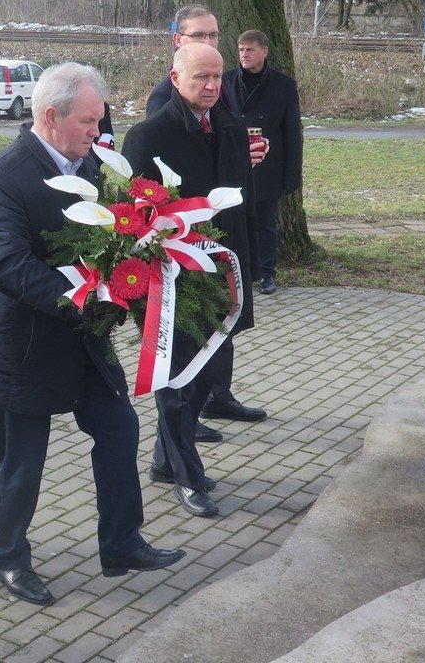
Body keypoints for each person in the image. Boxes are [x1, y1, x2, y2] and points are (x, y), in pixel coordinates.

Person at [0, 62, 185, 607]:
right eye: (88, 120)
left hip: (83, 340)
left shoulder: (96, 167)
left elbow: (120, 232)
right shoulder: (1, 178)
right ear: (51, 116)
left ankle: (121, 543)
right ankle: (10, 558)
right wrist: (82, 298)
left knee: (118, 427)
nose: (98, 130)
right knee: (23, 461)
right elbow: (6, 266)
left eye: (99, 119)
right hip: (22, 346)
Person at [122, 43, 260, 518]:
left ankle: (164, 460)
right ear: (175, 77)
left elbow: (246, 205)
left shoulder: (231, 128)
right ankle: (187, 474)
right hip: (173, 277)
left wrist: (251, 264)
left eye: (218, 77)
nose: (212, 86)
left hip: (224, 272)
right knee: (176, 381)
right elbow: (133, 214)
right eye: (201, 77)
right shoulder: (149, 135)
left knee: (204, 375)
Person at [224, 29, 304, 295]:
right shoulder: (226, 82)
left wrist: (291, 175)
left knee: (265, 223)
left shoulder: (284, 85)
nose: (244, 55)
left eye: (250, 50)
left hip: (268, 167)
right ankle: (238, 273)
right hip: (233, 164)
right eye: (241, 50)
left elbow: (293, 133)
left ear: (264, 51)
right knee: (234, 221)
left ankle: (268, 272)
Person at [145, 3, 237, 118]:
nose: (208, 43)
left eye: (213, 35)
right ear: (178, 39)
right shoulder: (163, 96)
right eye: (198, 35)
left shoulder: (227, 85)